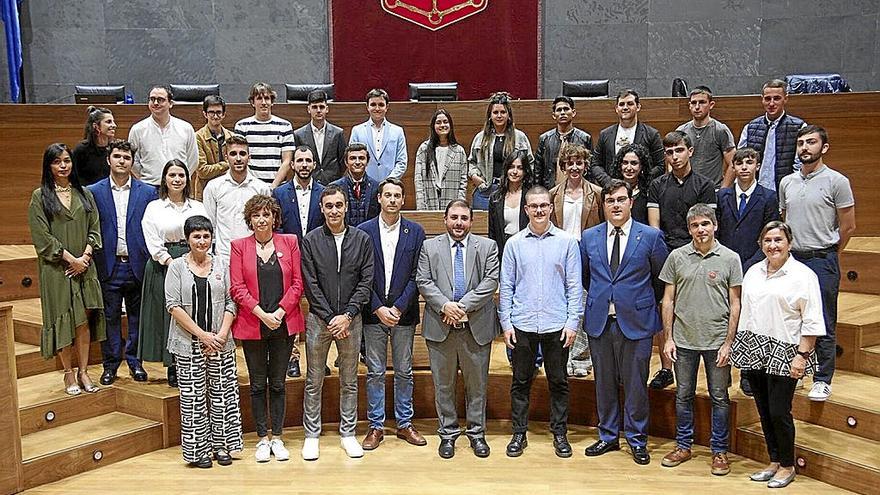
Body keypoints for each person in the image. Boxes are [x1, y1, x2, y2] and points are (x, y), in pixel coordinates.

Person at [730, 221, 825, 489]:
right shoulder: (753, 272)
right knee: (763, 409)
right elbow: (747, 313)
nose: (773, 245)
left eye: (778, 240)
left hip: (786, 351)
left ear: (789, 244)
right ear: (761, 244)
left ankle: (787, 465)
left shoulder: (804, 276)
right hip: (755, 349)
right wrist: (742, 349)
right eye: (768, 240)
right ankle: (773, 460)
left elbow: (812, 319)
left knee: (779, 410)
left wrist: (802, 355)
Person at [581, 179, 668, 465]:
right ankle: (607, 436)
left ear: (631, 202)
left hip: (637, 320)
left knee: (635, 384)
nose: (616, 205)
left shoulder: (650, 236)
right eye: (610, 201)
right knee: (603, 382)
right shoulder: (590, 236)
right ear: (603, 205)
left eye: (621, 199)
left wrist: (635, 301)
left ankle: (636, 438)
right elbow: (586, 277)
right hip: (600, 320)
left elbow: (660, 280)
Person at [659, 204, 742, 476]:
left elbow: (736, 303)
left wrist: (729, 343)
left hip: (717, 342)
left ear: (715, 225)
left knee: (719, 396)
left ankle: (719, 451)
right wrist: (668, 339)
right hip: (683, 341)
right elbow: (668, 300)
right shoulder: (677, 257)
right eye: (695, 225)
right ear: (689, 229)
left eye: (705, 224)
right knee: (683, 395)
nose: (700, 230)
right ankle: (683, 446)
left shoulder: (730, 258)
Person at [499, 185, 582, 459]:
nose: (538, 210)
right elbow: (506, 286)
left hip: (557, 325)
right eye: (533, 206)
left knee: (558, 382)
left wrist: (572, 323)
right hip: (521, 324)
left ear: (550, 207)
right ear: (526, 210)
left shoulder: (567, 242)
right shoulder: (514, 244)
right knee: (520, 381)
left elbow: (574, 285)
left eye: (543, 205)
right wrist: (506, 324)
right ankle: (519, 433)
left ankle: (559, 433)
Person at [417, 199, 500, 459]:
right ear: (445, 219)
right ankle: (448, 434)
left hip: (475, 327)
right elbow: (423, 280)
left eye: (464, 218)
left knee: (477, 386)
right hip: (441, 327)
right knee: (444, 386)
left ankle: (477, 433)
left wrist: (461, 306)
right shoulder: (429, 247)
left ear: (471, 221)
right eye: (454, 217)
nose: (459, 223)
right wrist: (445, 307)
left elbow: (490, 281)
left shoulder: (487, 246)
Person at [779, 125, 856, 401]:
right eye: (800, 143)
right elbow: (785, 220)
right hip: (793, 259)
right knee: (794, 319)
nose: (804, 148)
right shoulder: (787, 182)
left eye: (810, 142)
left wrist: (832, 251)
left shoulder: (837, 181)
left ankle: (823, 378)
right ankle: (798, 370)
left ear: (823, 147)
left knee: (822, 320)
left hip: (822, 258)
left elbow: (848, 226)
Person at [300, 185, 374, 460]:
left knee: (349, 380)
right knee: (314, 379)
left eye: (338, 205)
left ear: (345, 207)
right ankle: (311, 435)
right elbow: (311, 283)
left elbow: (366, 282)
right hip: (320, 320)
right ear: (321, 208)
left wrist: (348, 315)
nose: (334, 210)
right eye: (328, 205)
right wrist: (331, 317)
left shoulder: (362, 239)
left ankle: (348, 433)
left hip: (351, 321)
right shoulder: (310, 240)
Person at [229, 194, 305, 463]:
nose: (262, 220)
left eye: (266, 214)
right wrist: (262, 314)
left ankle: (279, 437)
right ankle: (263, 438)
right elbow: (237, 288)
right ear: (250, 220)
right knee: (258, 384)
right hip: (254, 324)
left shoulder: (290, 242)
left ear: (275, 217)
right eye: (256, 215)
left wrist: (280, 312)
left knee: (279, 384)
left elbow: (298, 283)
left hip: (284, 323)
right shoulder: (239, 246)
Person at [165, 215, 242, 468]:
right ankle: (198, 452)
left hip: (220, 342)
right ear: (187, 239)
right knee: (193, 400)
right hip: (188, 344)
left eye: (206, 236)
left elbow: (232, 303)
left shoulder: (222, 264)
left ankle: (221, 447)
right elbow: (173, 306)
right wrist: (202, 335)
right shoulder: (176, 267)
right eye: (196, 236)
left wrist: (219, 336)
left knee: (222, 397)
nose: (202, 241)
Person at [28, 143, 106, 395]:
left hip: (85, 266)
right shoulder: (40, 196)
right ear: (48, 166)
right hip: (58, 269)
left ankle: (84, 371)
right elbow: (42, 236)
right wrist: (70, 259)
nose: (63, 166)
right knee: (64, 319)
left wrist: (85, 256)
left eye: (67, 160)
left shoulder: (84, 193)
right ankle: (68, 373)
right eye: (57, 161)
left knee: (83, 321)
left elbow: (94, 228)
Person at [359, 178, 428, 450]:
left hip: (404, 313)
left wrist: (398, 307)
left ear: (403, 200)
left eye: (397, 196)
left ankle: (404, 424)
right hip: (373, 311)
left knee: (404, 371)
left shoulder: (416, 232)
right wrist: (377, 307)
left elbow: (417, 275)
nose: (392, 200)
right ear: (379, 198)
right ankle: (375, 426)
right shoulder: (363, 231)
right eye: (387, 195)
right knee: (375, 371)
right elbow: (361, 276)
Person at [647, 131, 717, 389]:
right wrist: (668, 257)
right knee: (665, 310)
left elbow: (704, 229)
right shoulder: (657, 185)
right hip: (666, 255)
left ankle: (700, 369)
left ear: (690, 151)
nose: (674, 156)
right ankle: (667, 368)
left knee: (695, 311)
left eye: (679, 150)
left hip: (696, 254)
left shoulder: (705, 185)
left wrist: (690, 254)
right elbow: (655, 228)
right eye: (669, 152)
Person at [88, 140, 157, 385]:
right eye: (117, 156)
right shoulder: (93, 192)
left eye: (126, 158)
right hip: (109, 264)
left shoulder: (147, 192)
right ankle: (110, 365)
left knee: (137, 317)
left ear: (132, 162)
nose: (121, 161)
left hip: (137, 264)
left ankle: (135, 362)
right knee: (110, 317)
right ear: (109, 160)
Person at [139, 159, 208, 387]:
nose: (177, 180)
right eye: (172, 175)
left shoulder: (197, 207)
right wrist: (174, 264)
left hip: (195, 261)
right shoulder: (154, 207)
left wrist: (196, 263)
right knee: (168, 316)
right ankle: (172, 365)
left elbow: (206, 235)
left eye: (181, 175)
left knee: (192, 311)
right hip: (164, 264)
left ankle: (194, 360)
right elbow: (152, 241)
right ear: (164, 180)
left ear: (187, 179)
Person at [548, 143, 603, 377]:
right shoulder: (553, 194)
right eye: (569, 163)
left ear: (585, 165)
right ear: (563, 165)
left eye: (578, 162)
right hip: (561, 252)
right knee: (563, 304)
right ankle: (563, 355)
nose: (574, 167)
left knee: (583, 305)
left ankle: (581, 357)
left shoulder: (598, 193)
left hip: (587, 252)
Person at [272, 146, 326, 378]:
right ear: (292, 165)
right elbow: (278, 226)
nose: (304, 165)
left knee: (319, 306)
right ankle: (292, 358)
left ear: (314, 165)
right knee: (290, 308)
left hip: (319, 259)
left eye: (308, 161)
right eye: (300, 161)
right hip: (289, 258)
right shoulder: (280, 193)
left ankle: (319, 358)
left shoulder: (325, 192)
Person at [202, 135, 271, 262]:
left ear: (249, 158)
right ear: (226, 157)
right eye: (233, 154)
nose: (238, 158)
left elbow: (266, 225)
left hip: (255, 256)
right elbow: (210, 224)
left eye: (242, 154)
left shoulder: (261, 188)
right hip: (224, 256)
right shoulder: (213, 187)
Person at [717, 147, 781, 273]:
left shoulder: (769, 197)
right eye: (739, 163)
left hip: (757, 264)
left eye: (749, 162)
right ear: (733, 167)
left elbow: (769, 234)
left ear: (757, 166)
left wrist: (751, 264)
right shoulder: (722, 196)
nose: (744, 167)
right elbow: (717, 232)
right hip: (724, 264)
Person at [737, 79, 806, 191]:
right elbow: (740, 159)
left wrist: (794, 188)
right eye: (768, 99)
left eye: (777, 98)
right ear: (762, 100)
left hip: (786, 190)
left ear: (785, 99)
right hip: (755, 191)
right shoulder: (750, 127)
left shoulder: (798, 127)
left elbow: (799, 164)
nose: (772, 103)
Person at [468, 92, 533, 210]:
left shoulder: (519, 137)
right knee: (483, 226)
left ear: (509, 115)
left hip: (512, 189)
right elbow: (471, 162)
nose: (499, 116)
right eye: (495, 112)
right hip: (485, 190)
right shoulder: (480, 137)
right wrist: (475, 177)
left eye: (503, 112)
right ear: (490, 116)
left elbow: (530, 164)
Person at [592, 89, 664, 187]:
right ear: (616, 108)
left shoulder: (652, 134)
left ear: (638, 107)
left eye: (630, 104)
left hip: (641, 191)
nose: (625, 107)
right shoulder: (605, 134)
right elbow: (596, 164)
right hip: (612, 191)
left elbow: (660, 166)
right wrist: (608, 182)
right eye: (621, 104)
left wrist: (641, 179)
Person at [129, 85, 198, 186]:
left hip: (178, 187)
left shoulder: (185, 128)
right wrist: (146, 177)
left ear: (170, 103)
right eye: (152, 99)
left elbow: (193, 160)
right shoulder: (137, 129)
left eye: (160, 99)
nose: (156, 103)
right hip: (149, 186)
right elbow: (133, 161)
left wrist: (179, 179)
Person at [234, 82, 295, 187]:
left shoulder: (285, 126)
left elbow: (287, 161)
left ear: (272, 102)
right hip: (250, 187)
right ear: (252, 102)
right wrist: (256, 186)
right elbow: (240, 159)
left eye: (267, 98)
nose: (263, 102)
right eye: (259, 98)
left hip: (277, 187)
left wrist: (273, 187)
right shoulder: (241, 126)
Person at [676, 86, 736, 188]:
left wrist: (723, 189)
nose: (697, 107)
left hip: (713, 189)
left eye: (702, 102)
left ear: (711, 105)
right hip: (687, 188)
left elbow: (733, 163)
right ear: (689, 105)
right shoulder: (681, 131)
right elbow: (673, 160)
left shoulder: (720, 130)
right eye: (694, 103)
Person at [348, 88, 408, 182]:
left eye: (381, 105)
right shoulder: (357, 131)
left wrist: (389, 181)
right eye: (373, 105)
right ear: (367, 106)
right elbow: (352, 159)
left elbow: (401, 162)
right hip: (364, 184)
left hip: (389, 186)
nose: (377, 108)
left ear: (387, 107)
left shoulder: (397, 131)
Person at [413, 108, 468, 210]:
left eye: (445, 122)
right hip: (429, 200)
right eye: (438, 122)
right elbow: (418, 180)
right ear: (433, 126)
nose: (442, 125)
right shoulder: (423, 149)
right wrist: (421, 206)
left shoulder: (459, 151)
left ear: (450, 125)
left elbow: (463, 182)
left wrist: (459, 205)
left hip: (452, 201)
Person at [534, 96, 593, 189]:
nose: (562, 113)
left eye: (566, 109)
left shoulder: (584, 138)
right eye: (559, 110)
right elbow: (538, 171)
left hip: (579, 190)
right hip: (550, 190)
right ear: (554, 115)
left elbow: (590, 170)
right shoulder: (544, 139)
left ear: (573, 113)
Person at [293, 89, 346, 185]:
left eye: (321, 107)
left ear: (327, 109)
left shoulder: (338, 133)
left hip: (333, 184)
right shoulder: (298, 135)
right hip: (309, 184)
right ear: (308, 109)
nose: (318, 110)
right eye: (314, 107)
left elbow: (343, 162)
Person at [487, 150, 531, 256]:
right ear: (506, 169)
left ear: (525, 172)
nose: (515, 171)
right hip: (503, 250)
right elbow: (492, 232)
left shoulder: (530, 196)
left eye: (519, 168)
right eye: (511, 167)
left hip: (527, 249)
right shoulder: (496, 198)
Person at [193, 94, 234, 200]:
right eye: (211, 112)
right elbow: (202, 171)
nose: (215, 116)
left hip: (229, 191)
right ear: (205, 114)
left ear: (224, 114)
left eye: (218, 112)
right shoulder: (197, 137)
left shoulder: (232, 137)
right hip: (205, 193)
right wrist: (226, 165)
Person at [331, 143, 380, 227]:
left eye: (361, 158)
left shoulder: (377, 187)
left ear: (367, 161)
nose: (357, 162)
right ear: (346, 162)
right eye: (353, 158)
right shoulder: (334, 187)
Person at [71, 106, 116, 186]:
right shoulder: (81, 149)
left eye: (113, 121)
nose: (114, 125)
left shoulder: (114, 148)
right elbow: (74, 177)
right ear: (96, 126)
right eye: (109, 122)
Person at [609, 143, 652, 224]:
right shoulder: (610, 190)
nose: (628, 168)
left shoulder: (649, 192)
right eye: (625, 163)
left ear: (642, 166)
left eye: (634, 163)